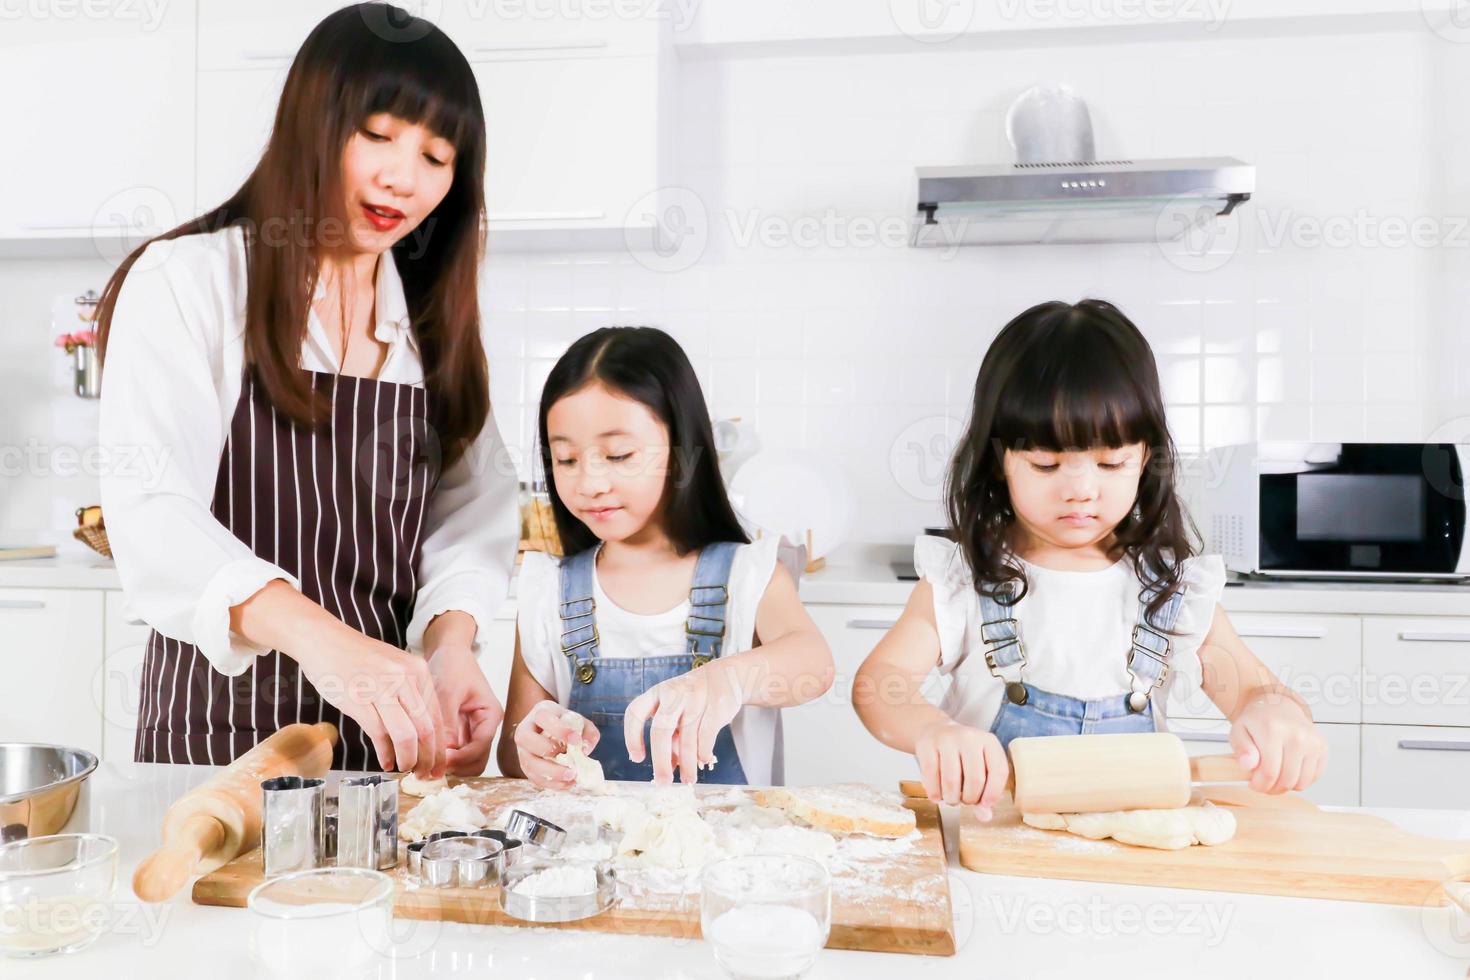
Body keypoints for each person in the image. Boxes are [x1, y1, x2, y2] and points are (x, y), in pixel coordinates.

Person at [96, 4, 516, 776]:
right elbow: (152, 511)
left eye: (437, 155)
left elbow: (473, 513)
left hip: (390, 741)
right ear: (311, 122)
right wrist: (329, 646)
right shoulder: (193, 282)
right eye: (379, 135)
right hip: (220, 742)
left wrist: (450, 645)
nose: (403, 178)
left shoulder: (430, 326)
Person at [854, 299, 1327, 818]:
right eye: (1046, 464)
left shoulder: (1172, 588)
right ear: (999, 462)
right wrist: (933, 730)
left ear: (1145, 458)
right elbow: (880, 685)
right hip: (991, 846)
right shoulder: (964, 579)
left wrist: (1274, 715)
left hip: (1134, 861)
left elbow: (1256, 689)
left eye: (1110, 463)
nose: (1080, 490)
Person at [498, 327, 834, 787]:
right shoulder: (546, 588)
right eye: (567, 459)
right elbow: (514, 754)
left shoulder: (748, 574)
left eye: (618, 454)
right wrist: (531, 744)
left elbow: (813, 666)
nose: (590, 482)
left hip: (727, 853)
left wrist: (728, 680)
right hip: (587, 853)